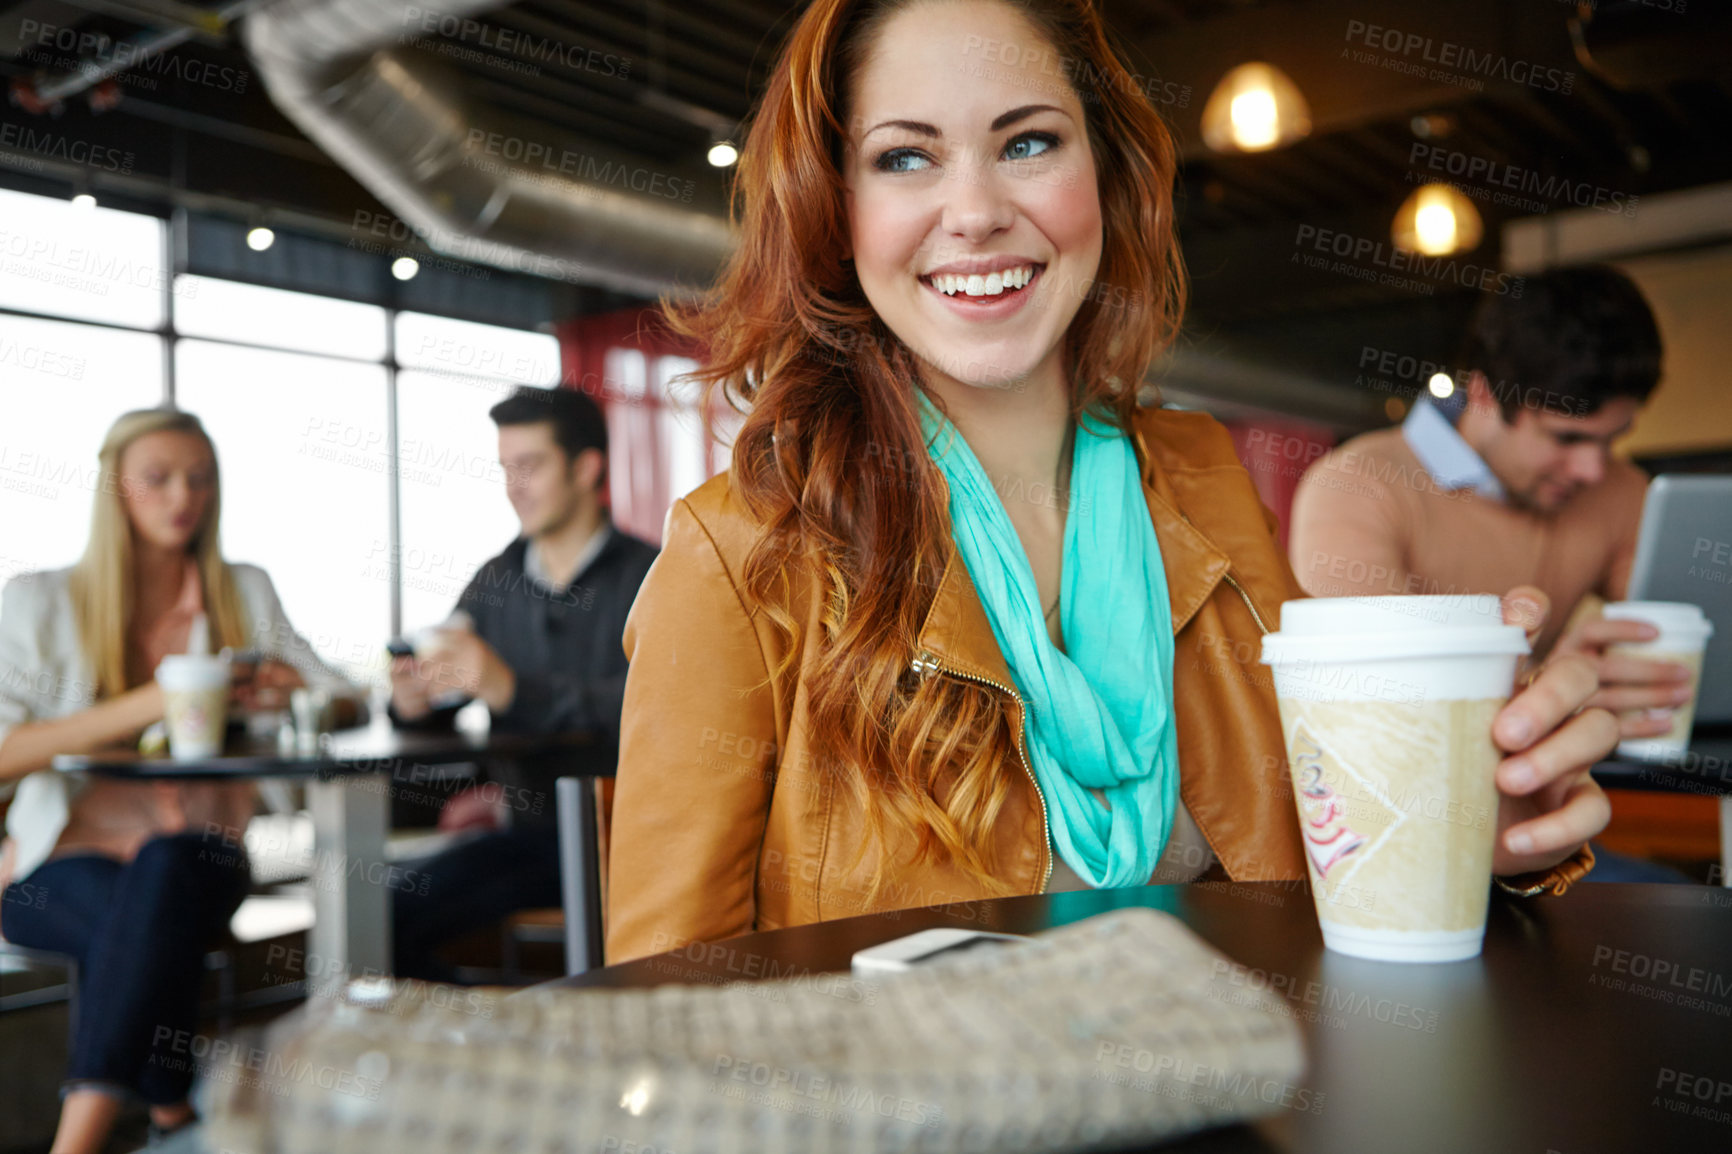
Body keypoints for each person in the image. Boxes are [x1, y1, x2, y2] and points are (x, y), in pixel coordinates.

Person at [603, 0, 1618, 964]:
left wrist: (1478, 822)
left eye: (1028, 142)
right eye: (903, 157)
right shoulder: (737, 555)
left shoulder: (1202, 474)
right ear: (837, 211)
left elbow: (1334, 848)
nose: (976, 213)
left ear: (1107, 171)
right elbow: (664, 1014)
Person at [0, 408, 356, 1154]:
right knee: (145, 927)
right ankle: (170, 1113)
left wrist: (292, 690)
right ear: (115, 491)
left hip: (201, 856)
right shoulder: (38, 601)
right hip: (59, 866)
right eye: (157, 479)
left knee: (163, 880)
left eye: (199, 478)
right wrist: (148, 701)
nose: (181, 497)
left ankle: (96, 1138)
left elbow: (345, 700)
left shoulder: (244, 593)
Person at [1289, 266, 1691, 882]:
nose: (1591, 469)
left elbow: (1686, 629)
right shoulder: (1359, 486)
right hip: (1385, 840)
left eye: (1612, 440)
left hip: (1525, 811)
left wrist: (1642, 666)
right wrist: (1553, 683)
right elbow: (1369, 721)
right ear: (1482, 395)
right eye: (1566, 437)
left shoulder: (1618, 490)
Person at [388, 385, 657, 982]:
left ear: (588, 468)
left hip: (633, 839)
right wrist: (413, 704)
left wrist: (513, 690)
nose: (515, 487)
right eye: (507, 469)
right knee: (385, 914)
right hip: (531, 835)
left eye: (530, 466)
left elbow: (655, 710)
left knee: (399, 910)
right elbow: (450, 691)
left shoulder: (653, 575)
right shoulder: (495, 580)